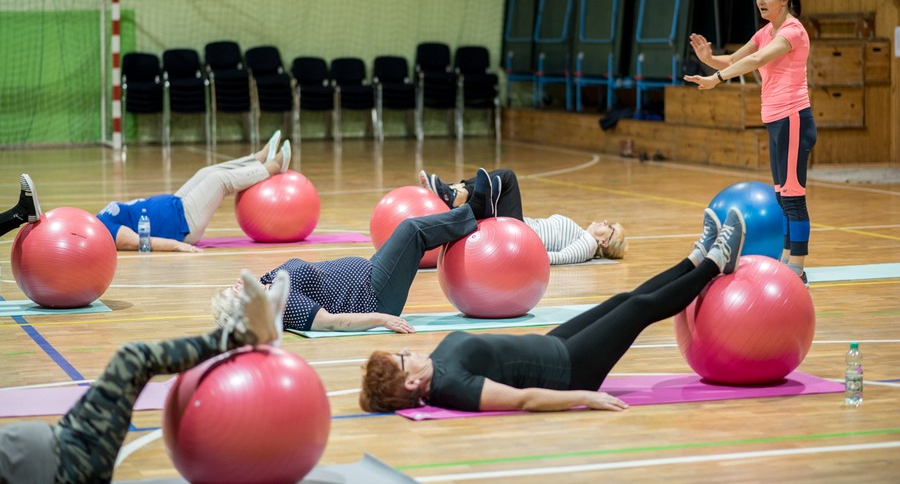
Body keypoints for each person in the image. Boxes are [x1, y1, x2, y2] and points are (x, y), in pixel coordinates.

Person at [358, 207, 745, 413]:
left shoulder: (437, 372)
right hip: (570, 369)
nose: (409, 351)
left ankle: (693, 260)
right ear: (411, 384)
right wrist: (584, 397)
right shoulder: (452, 388)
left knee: (622, 300)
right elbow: (523, 400)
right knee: (640, 309)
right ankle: (716, 261)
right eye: (403, 358)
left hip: (552, 346)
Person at [0, 269, 289, 484]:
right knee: (133, 359)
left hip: (62, 441)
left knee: (133, 359)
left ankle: (244, 332)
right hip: (70, 463)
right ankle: (242, 334)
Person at [211, 168, 503, 334]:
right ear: (247, 308)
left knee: (410, 234)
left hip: (370, 273)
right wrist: (381, 318)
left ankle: (471, 210)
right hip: (375, 295)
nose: (236, 284)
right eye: (235, 292)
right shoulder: (286, 307)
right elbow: (331, 322)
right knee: (411, 231)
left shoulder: (269, 283)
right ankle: (474, 211)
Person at [683, 0, 815, 284]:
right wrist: (710, 59)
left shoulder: (792, 32)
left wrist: (717, 79)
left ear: (784, 0)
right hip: (775, 121)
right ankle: (787, 259)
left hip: (794, 118)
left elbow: (756, 60)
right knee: (782, 197)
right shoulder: (765, 31)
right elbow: (734, 59)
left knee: (794, 197)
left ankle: (796, 266)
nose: (761, 2)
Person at [96, 131, 291, 252]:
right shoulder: (107, 232)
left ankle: (257, 159)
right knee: (218, 180)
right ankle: (272, 167)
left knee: (206, 172)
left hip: (176, 204)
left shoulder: (99, 219)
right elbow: (142, 243)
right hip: (184, 224)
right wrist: (176, 245)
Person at [420, 169, 627, 262]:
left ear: (605, 242)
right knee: (491, 189)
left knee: (507, 177)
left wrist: (521, 257)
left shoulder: (588, 245)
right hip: (517, 230)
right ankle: (455, 193)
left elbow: (558, 258)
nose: (606, 222)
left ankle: (457, 193)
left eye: (610, 228)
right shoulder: (584, 236)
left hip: (518, 238)